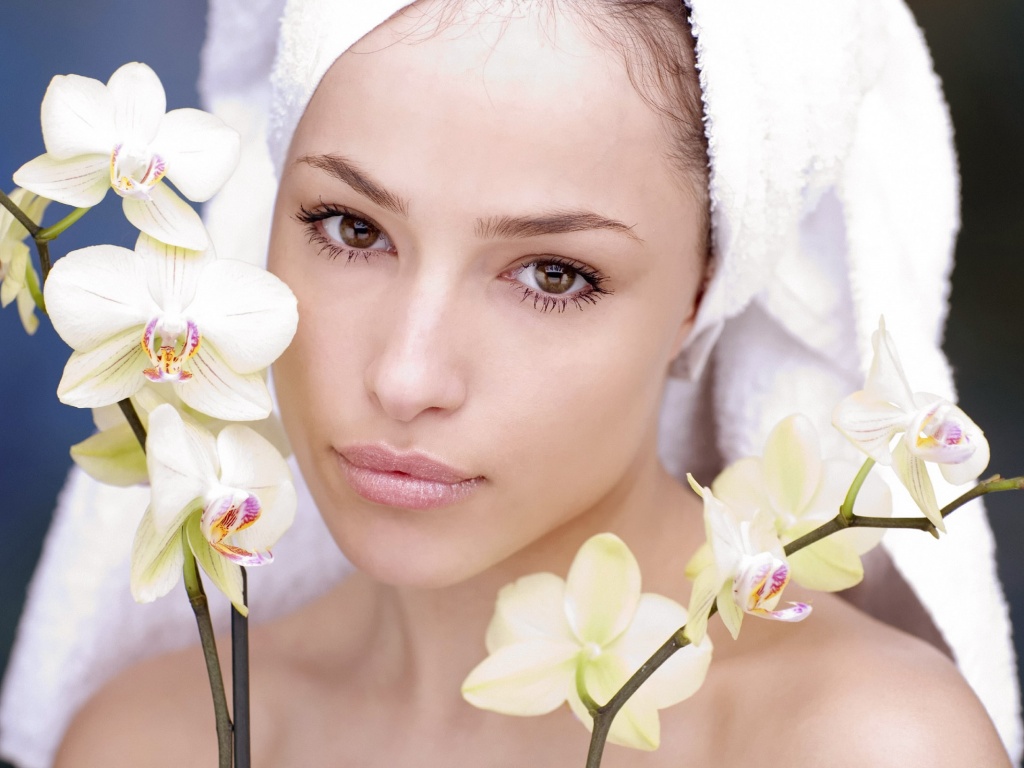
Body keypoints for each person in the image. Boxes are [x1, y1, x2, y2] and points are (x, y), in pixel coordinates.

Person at [0, 1, 1018, 766]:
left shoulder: (859, 745)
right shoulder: (154, 741)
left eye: (553, 275)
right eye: (351, 228)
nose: (405, 377)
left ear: (699, 298)